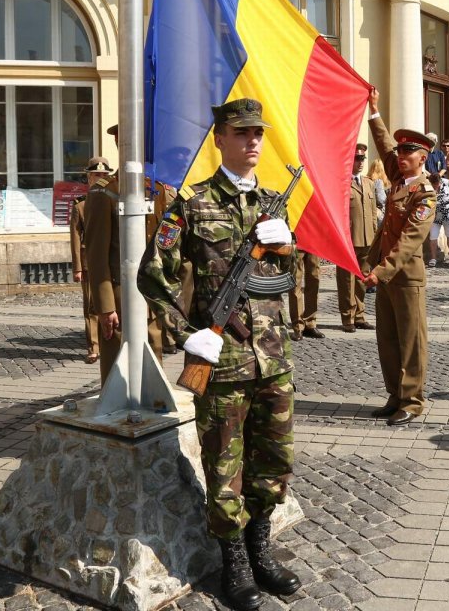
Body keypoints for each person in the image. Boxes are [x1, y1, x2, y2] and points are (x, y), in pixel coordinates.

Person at [137, 98, 302, 609]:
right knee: (225, 467)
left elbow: (285, 282)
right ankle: (234, 562)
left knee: (274, 461)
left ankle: (261, 549)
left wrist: (288, 246)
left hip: (274, 357)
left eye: (258, 133)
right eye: (241, 132)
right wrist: (186, 334)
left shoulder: (275, 202)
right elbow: (152, 275)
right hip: (224, 361)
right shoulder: (192, 204)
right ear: (220, 138)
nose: (253, 141)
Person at [360, 87, 435, 426]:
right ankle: (395, 395)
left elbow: (409, 240)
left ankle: (413, 400)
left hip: (404, 277)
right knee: (387, 340)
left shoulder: (425, 194)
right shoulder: (398, 180)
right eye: (401, 151)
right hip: (384, 274)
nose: (401, 155)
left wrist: (380, 271)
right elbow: (384, 145)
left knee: (411, 342)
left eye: (409, 151)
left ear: (423, 158)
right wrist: (374, 111)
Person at [82, 125, 167, 384]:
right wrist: (106, 307)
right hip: (119, 294)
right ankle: (115, 409)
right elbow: (96, 254)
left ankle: (154, 409)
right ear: (119, 143)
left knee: (153, 354)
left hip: (150, 291)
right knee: (117, 365)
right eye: (127, 140)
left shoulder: (156, 189)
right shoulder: (103, 192)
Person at [70, 156, 111, 364]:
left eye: (105, 175)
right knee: (91, 306)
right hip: (89, 262)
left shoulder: (114, 199)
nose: (101, 179)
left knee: (111, 304)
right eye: (97, 175)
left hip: (111, 261)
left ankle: (110, 344)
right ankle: (94, 347)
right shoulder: (80, 205)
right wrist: (77, 267)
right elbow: (75, 238)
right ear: (89, 178)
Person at [336, 143, 378, 333]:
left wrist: (376, 237)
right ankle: (348, 318)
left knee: (362, 279)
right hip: (349, 240)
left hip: (367, 238)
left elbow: (373, 211)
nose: (360, 162)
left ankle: (360, 315)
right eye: (356, 158)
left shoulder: (369, 182)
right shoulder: (342, 183)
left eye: (362, 158)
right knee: (346, 281)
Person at [287, 250, 323, 340]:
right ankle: (298, 326)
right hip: (297, 242)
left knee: (314, 279)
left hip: (313, 241)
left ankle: (310, 323)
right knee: (295, 282)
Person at [428, 172, 449, 266]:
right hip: (435, 216)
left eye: (436, 183)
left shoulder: (447, 183)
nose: (435, 186)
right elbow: (424, 201)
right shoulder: (427, 187)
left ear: (440, 180)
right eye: (433, 184)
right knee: (433, 237)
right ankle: (433, 258)